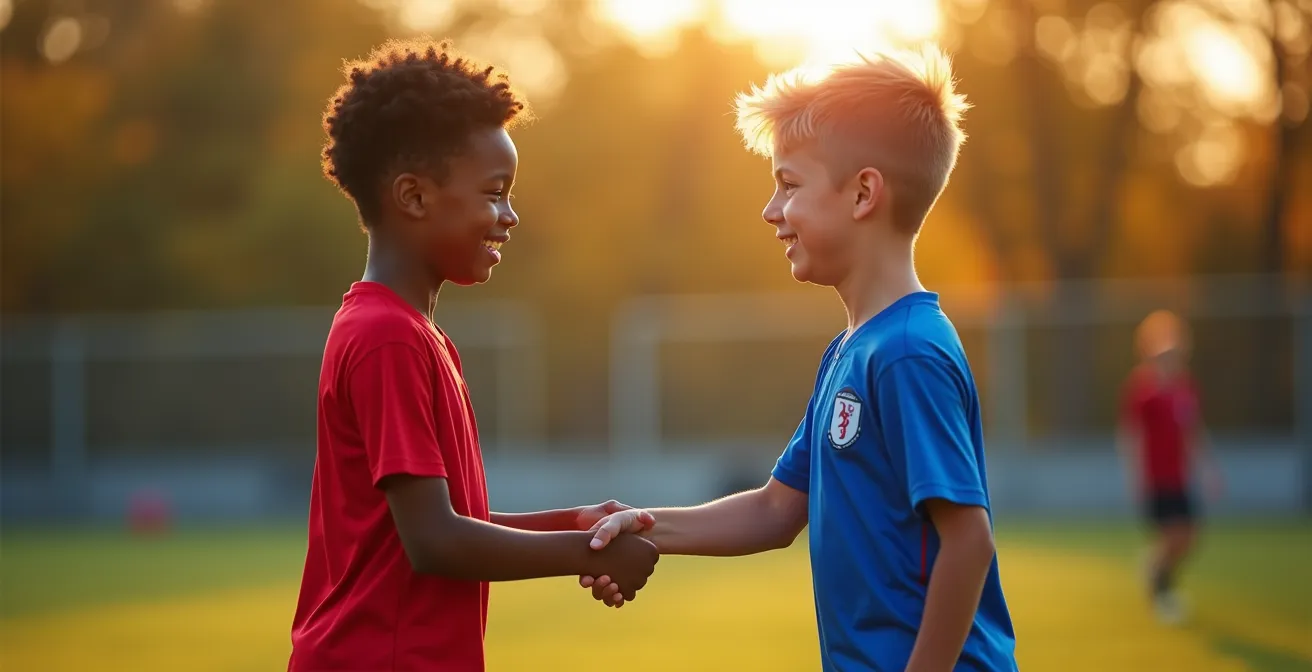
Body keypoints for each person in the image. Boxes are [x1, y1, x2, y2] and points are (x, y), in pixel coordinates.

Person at [582, 46, 1017, 671]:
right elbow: (773, 510)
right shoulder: (852, 350)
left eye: (788, 184)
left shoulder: (905, 352)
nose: (771, 210)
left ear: (864, 192)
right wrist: (640, 526)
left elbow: (968, 543)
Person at [287, 39, 658, 672]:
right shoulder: (387, 338)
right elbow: (435, 543)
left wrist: (573, 521)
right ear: (414, 197)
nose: (509, 215)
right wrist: (587, 552)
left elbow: (448, 522)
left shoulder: (411, 333)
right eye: (494, 193)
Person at [1118, 309, 1221, 625]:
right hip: (1155, 477)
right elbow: (1131, 435)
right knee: (1173, 534)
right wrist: (1135, 475)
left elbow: (1193, 432)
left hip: (1180, 475)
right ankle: (1161, 590)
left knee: (1190, 536)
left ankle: (1155, 570)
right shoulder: (1143, 389)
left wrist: (1208, 470)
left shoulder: (1185, 387)